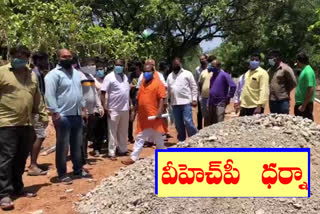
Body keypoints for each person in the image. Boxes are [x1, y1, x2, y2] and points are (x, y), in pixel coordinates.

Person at [0, 46, 48, 211]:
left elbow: (37, 97)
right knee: (6, 158)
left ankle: (17, 187)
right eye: (17, 57)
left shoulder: (31, 74)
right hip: (6, 123)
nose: (20, 60)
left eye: (23, 57)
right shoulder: (2, 72)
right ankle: (4, 194)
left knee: (21, 157)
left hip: (27, 123)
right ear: (11, 56)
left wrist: (43, 115)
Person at [45, 49, 90, 185]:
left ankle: (78, 170)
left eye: (70, 56)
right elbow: (49, 95)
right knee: (63, 145)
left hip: (76, 114)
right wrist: (55, 112)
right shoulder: (53, 75)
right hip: (62, 116)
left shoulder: (77, 74)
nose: (68, 58)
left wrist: (83, 108)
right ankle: (62, 173)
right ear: (58, 58)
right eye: (64, 57)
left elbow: (80, 93)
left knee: (77, 144)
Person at [122, 64, 166, 165]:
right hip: (143, 117)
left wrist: (159, 112)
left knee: (158, 137)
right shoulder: (142, 83)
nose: (146, 73)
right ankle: (133, 157)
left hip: (154, 116)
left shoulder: (158, 84)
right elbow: (138, 98)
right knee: (140, 137)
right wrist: (134, 111)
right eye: (144, 71)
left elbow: (161, 99)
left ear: (153, 71)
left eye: (148, 71)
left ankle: (163, 155)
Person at [101, 59, 130, 160]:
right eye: (117, 65)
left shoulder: (125, 77)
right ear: (114, 66)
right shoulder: (109, 77)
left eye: (120, 65)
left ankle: (122, 149)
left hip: (125, 108)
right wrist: (105, 106)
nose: (119, 66)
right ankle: (111, 152)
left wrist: (130, 104)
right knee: (112, 131)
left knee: (123, 130)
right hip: (113, 109)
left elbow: (127, 92)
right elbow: (103, 92)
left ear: (123, 66)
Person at [28, 52, 50, 176]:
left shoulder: (36, 73)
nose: (47, 63)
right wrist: (42, 112)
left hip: (35, 110)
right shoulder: (36, 74)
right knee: (40, 136)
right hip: (35, 111)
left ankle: (33, 162)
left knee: (34, 136)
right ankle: (33, 165)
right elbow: (39, 95)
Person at [167, 57, 198, 145]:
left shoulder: (187, 74)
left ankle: (194, 138)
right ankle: (182, 141)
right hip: (175, 103)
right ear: (172, 65)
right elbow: (168, 90)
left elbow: (194, 87)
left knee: (188, 121)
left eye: (177, 64)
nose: (176, 65)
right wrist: (166, 101)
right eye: (174, 64)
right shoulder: (170, 76)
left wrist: (194, 99)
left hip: (186, 102)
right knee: (178, 124)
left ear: (181, 64)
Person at [80, 59, 104, 158]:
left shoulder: (90, 77)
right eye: (91, 65)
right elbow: (79, 93)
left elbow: (94, 92)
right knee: (83, 134)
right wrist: (82, 109)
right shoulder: (79, 76)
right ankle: (83, 155)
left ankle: (86, 153)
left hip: (92, 110)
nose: (94, 67)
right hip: (84, 111)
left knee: (89, 132)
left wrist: (99, 105)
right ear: (85, 66)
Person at [207, 59, 236, 125]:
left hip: (220, 102)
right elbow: (211, 89)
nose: (212, 68)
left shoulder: (224, 75)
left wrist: (228, 97)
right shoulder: (212, 76)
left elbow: (233, 86)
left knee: (219, 121)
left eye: (213, 66)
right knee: (212, 122)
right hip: (212, 102)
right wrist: (208, 102)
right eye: (211, 66)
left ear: (218, 67)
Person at [268, 50, 297, 114]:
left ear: (277, 58)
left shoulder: (286, 68)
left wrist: (286, 91)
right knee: (273, 120)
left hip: (283, 100)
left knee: (284, 120)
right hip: (272, 100)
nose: (270, 60)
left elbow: (293, 82)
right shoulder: (270, 70)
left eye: (271, 58)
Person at [294, 52, 316, 120]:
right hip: (301, 104)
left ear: (298, 61)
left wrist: (303, 105)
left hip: (304, 106)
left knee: (306, 126)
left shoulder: (308, 71)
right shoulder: (304, 70)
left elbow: (311, 89)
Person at [199, 55, 216, 126]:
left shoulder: (219, 72)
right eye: (209, 61)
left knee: (215, 116)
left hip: (215, 98)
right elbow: (200, 84)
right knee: (206, 117)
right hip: (205, 98)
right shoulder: (203, 72)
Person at [128, 60, 143, 143]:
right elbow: (129, 85)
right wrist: (136, 86)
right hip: (133, 98)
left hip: (141, 99)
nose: (136, 69)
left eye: (137, 67)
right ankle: (130, 136)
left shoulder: (143, 75)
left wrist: (135, 86)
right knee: (131, 118)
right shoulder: (131, 75)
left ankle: (141, 136)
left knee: (141, 118)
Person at [195, 54, 208, 130]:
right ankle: (199, 127)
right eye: (200, 59)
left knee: (208, 110)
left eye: (203, 59)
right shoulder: (197, 69)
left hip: (208, 93)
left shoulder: (210, 68)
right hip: (200, 93)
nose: (201, 60)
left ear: (206, 59)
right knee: (200, 111)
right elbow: (196, 81)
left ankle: (207, 127)